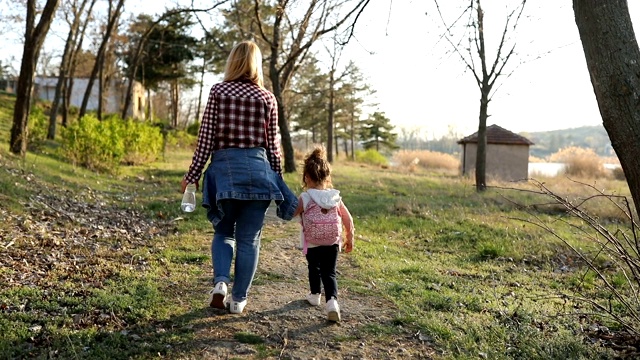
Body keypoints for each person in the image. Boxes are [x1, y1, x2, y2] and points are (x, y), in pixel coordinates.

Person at [181, 40, 297, 315]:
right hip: (259, 175)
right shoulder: (268, 98)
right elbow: (273, 147)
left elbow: (205, 139)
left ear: (232, 61)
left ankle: (220, 282)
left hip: (224, 174)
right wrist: (276, 178)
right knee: (249, 240)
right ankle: (238, 300)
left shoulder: (218, 92)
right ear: (257, 64)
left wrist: (193, 175)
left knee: (223, 232)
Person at [293, 147, 355, 322]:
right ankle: (332, 302)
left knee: (314, 267)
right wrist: (350, 237)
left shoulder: (306, 197)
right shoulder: (335, 197)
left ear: (306, 177)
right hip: (333, 241)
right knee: (330, 272)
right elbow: (348, 219)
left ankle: (315, 295)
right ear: (327, 178)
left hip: (312, 241)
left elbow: (292, 212)